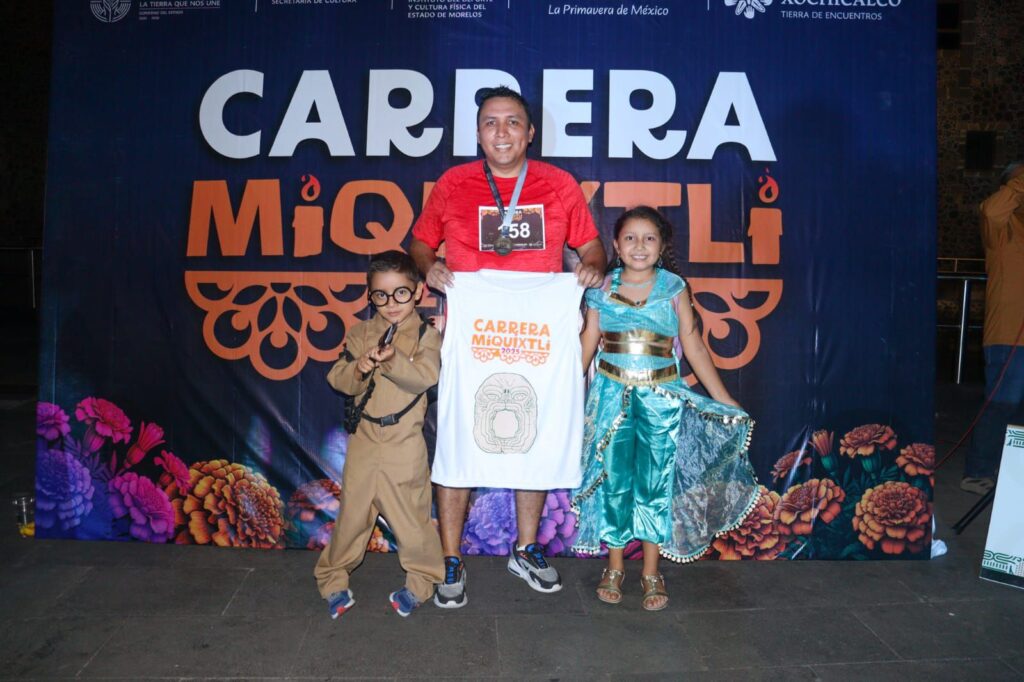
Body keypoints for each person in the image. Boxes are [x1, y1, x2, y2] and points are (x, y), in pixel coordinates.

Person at [409, 85, 606, 608]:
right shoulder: (453, 183)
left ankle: (526, 547)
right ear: (478, 133)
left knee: (533, 430)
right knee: (459, 436)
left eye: (513, 122)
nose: (502, 132)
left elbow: (592, 247)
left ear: (530, 132)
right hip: (473, 331)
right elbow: (420, 243)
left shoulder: (558, 184)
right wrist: (429, 266)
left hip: (537, 331)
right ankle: (451, 558)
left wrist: (592, 267)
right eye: (491, 122)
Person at [570, 206, 757, 611]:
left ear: (662, 246)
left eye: (649, 238)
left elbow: (693, 344)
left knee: (655, 484)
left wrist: (723, 398)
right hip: (610, 398)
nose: (639, 246)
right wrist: (564, 397)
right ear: (616, 244)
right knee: (615, 481)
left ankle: (651, 572)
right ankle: (614, 567)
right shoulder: (601, 289)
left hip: (662, 400)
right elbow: (587, 343)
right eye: (630, 238)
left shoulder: (673, 287)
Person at [314, 251, 444, 618]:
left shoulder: (427, 336)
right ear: (370, 296)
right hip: (364, 441)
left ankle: (421, 583)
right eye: (381, 295)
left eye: (400, 293)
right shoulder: (360, 334)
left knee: (412, 520)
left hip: (405, 444)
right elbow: (338, 378)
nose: (391, 303)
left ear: (417, 292)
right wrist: (360, 366)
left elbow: (425, 377)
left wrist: (391, 360)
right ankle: (333, 580)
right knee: (352, 517)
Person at [962, 161, 1024, 495]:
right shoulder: (1001, 226)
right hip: (1008, 335)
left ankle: (1013, 472)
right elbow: (990, 209)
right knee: (1002, 402)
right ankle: (978, 472)